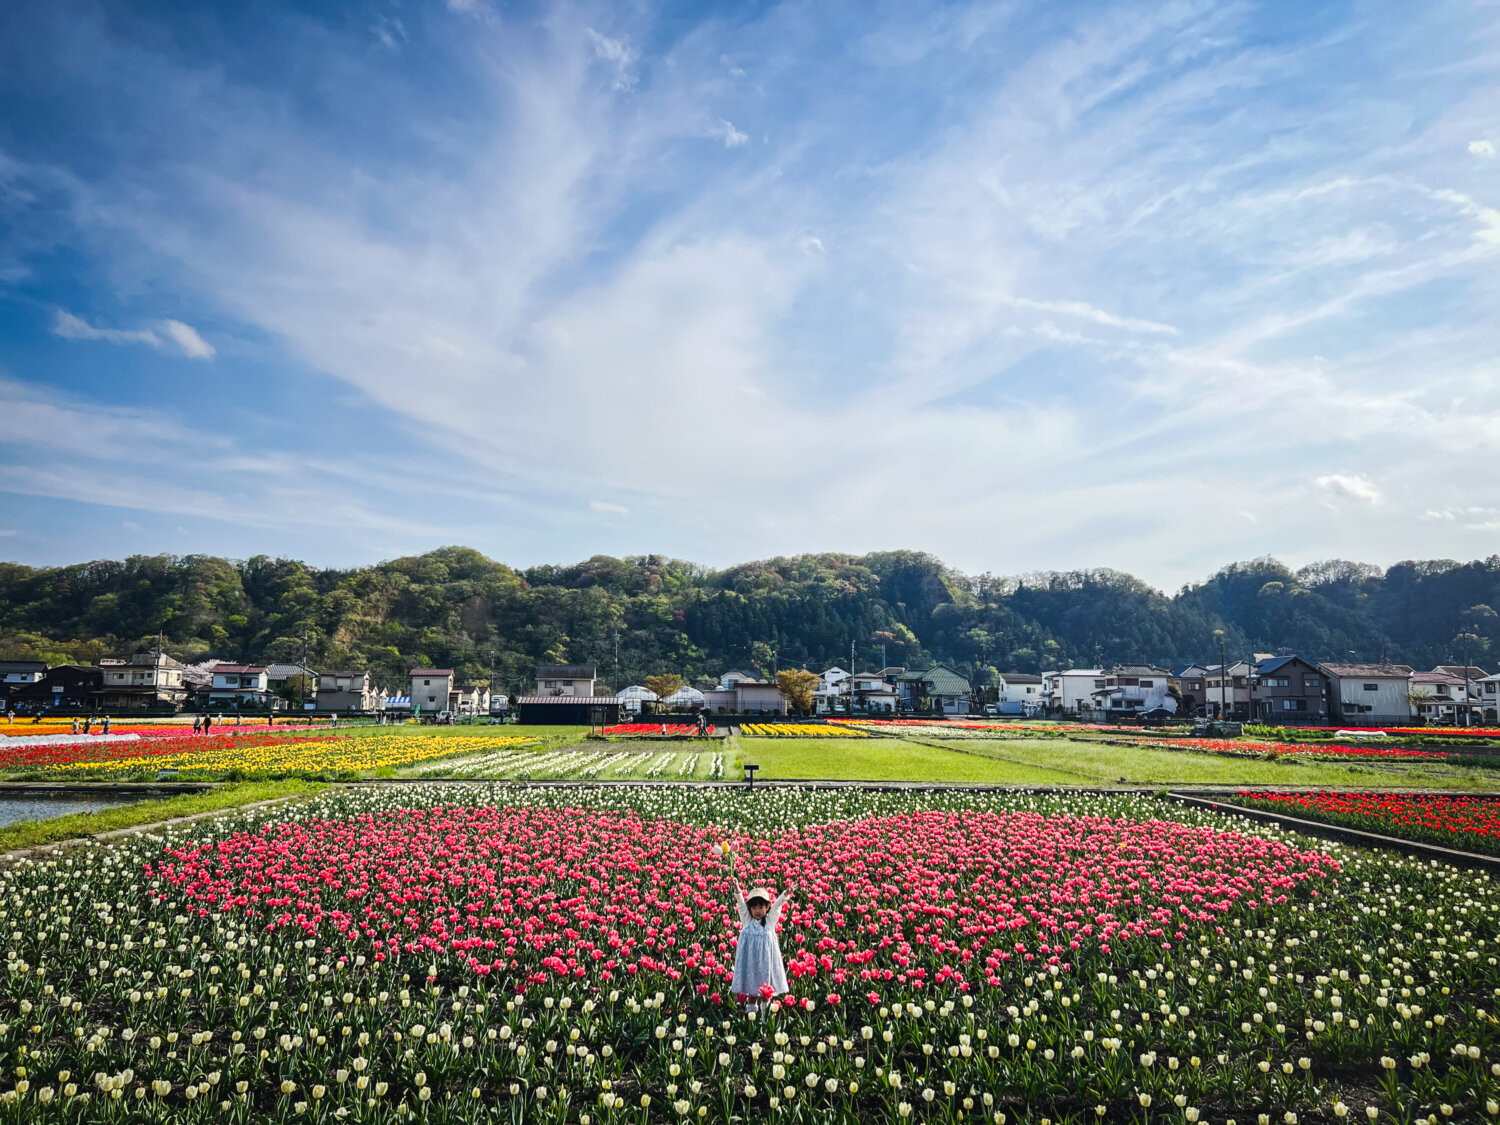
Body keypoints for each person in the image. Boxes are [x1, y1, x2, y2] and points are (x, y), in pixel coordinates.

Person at [728, 860, 794, 1017]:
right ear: (750, 909)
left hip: (766, 962)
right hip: (750, 962)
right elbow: (741, 903)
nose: (757, 911)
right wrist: (737, 888)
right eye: (754, 907)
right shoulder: (747, 920)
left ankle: (764, 1018)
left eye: (761, 907)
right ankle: (751, 1018)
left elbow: (778, 905)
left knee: (765, 991)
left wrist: (786, 894)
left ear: (767, 907)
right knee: (752, 991)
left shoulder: (770, 921)